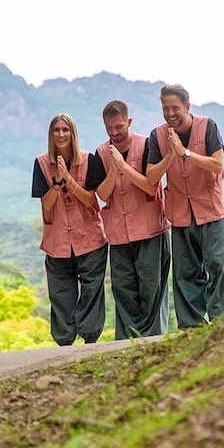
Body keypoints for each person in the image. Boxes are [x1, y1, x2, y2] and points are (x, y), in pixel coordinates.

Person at [146, 84, 224, 328]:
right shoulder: (157, 135)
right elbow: (151, 177)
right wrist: (170, 155)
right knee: (185, 272)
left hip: (213, 210)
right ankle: (191, 327)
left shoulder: (208, 126)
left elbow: (217, 165)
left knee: (219, 267)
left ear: (187, 106)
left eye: (175, 108)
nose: (170, 113)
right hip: (180, 213)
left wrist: (185, 153)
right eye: (165, 108)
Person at [95, 100, 172, 339]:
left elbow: (151, 186)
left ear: (129, 122)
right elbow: (102, 194)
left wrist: (124, 167)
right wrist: (113, 170)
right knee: (123, 288)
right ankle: (127, 342)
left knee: (152, 286)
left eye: (119, 126)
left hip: (150, 229)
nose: (114, 132)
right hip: (118, 232)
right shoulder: (100, 153)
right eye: (109, 128)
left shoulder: (147, 145)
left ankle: (154, 339)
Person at [32, 113, 108, 345]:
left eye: (65, 130)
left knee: (91, 291)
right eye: (57, 130)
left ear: (73, 134)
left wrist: (70, 181)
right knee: (60, 294)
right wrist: (56, 184)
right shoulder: (41, 163)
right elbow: (46, 204)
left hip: (89, 238)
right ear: (51, 134)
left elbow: (91, 199)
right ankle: (64, 342)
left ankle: (90, 339)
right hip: (57, 241)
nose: (61, 134)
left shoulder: (89, 160)